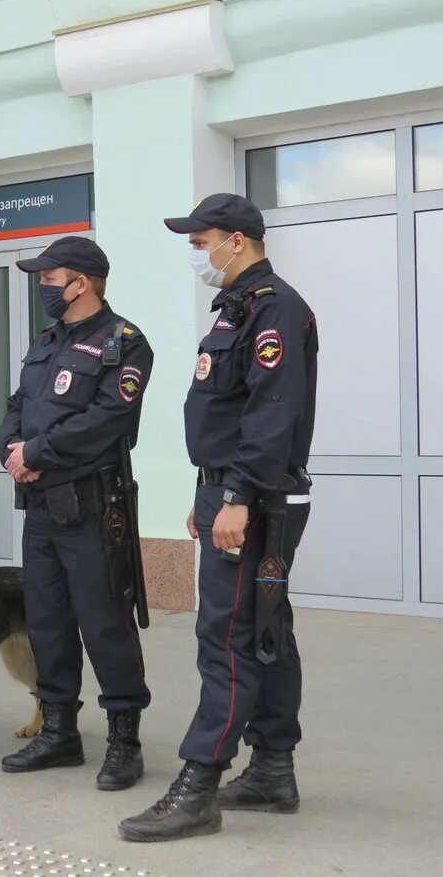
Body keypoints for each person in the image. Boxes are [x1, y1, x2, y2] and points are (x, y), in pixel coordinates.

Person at [119, 193, 318, 842]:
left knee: (227, 637)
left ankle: (198, 783)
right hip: (233, 489)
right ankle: (273, 768)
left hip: (253, 495)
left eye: (201, 242)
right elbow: (229, 414)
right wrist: (212, 493)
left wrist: (234, 496)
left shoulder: (273, 310)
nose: (196, 254)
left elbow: (271, 411)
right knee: (266, 630)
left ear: (237, 240)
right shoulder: (237, 310)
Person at [0, 235, 154, 792]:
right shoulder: (46, 341)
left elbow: (108, 419)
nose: (43, 287)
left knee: (104, 622)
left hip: (91, 505)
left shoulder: (124, 344)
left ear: (80, 283)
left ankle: (123, 741)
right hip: (41, 506)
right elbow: (18, 405)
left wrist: (37, 453)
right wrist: (11, 452)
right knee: (47, 622)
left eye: (49, 278)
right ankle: (59, 731)